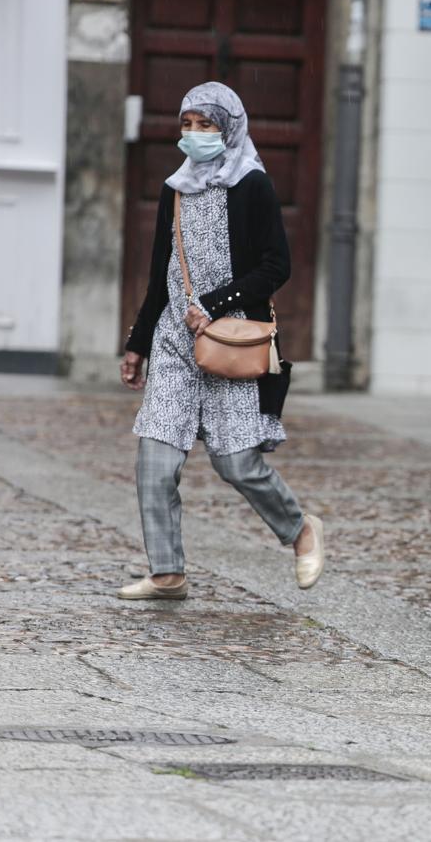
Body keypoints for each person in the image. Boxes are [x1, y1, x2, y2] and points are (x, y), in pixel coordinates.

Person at [117, 81, 325, 600]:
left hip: (230, 344)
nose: (194, 135)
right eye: (186, 125)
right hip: (174, 346)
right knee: (155, 459)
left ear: (229, 128)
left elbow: (277, 265)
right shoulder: (176, 186)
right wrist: (138, 343)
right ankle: (167, 573)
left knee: (237, 463)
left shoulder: (252, 185)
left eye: (206, 125)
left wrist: (215, 303)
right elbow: (160, 274)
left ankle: (301, 530)